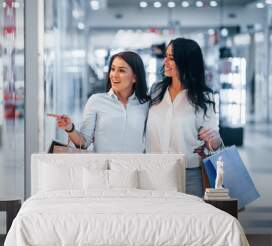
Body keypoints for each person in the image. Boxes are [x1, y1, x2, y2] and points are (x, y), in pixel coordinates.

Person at [146, 38, 222, 197]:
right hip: (153, 172)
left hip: (189, 175)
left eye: (171, 58)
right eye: (166, 56)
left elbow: (213, 142)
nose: (165, 61)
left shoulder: (204, 97)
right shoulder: (156, 91)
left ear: (187, 62)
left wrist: (213, 139)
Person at [54, 51, 150, 153]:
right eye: (113, 69)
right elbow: (84, 143)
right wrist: (70, 128)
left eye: (121, 70)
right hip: (104, 167)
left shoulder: (146, 104)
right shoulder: (96, 101)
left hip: (134, 167)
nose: (114, 75)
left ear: (135, 77)